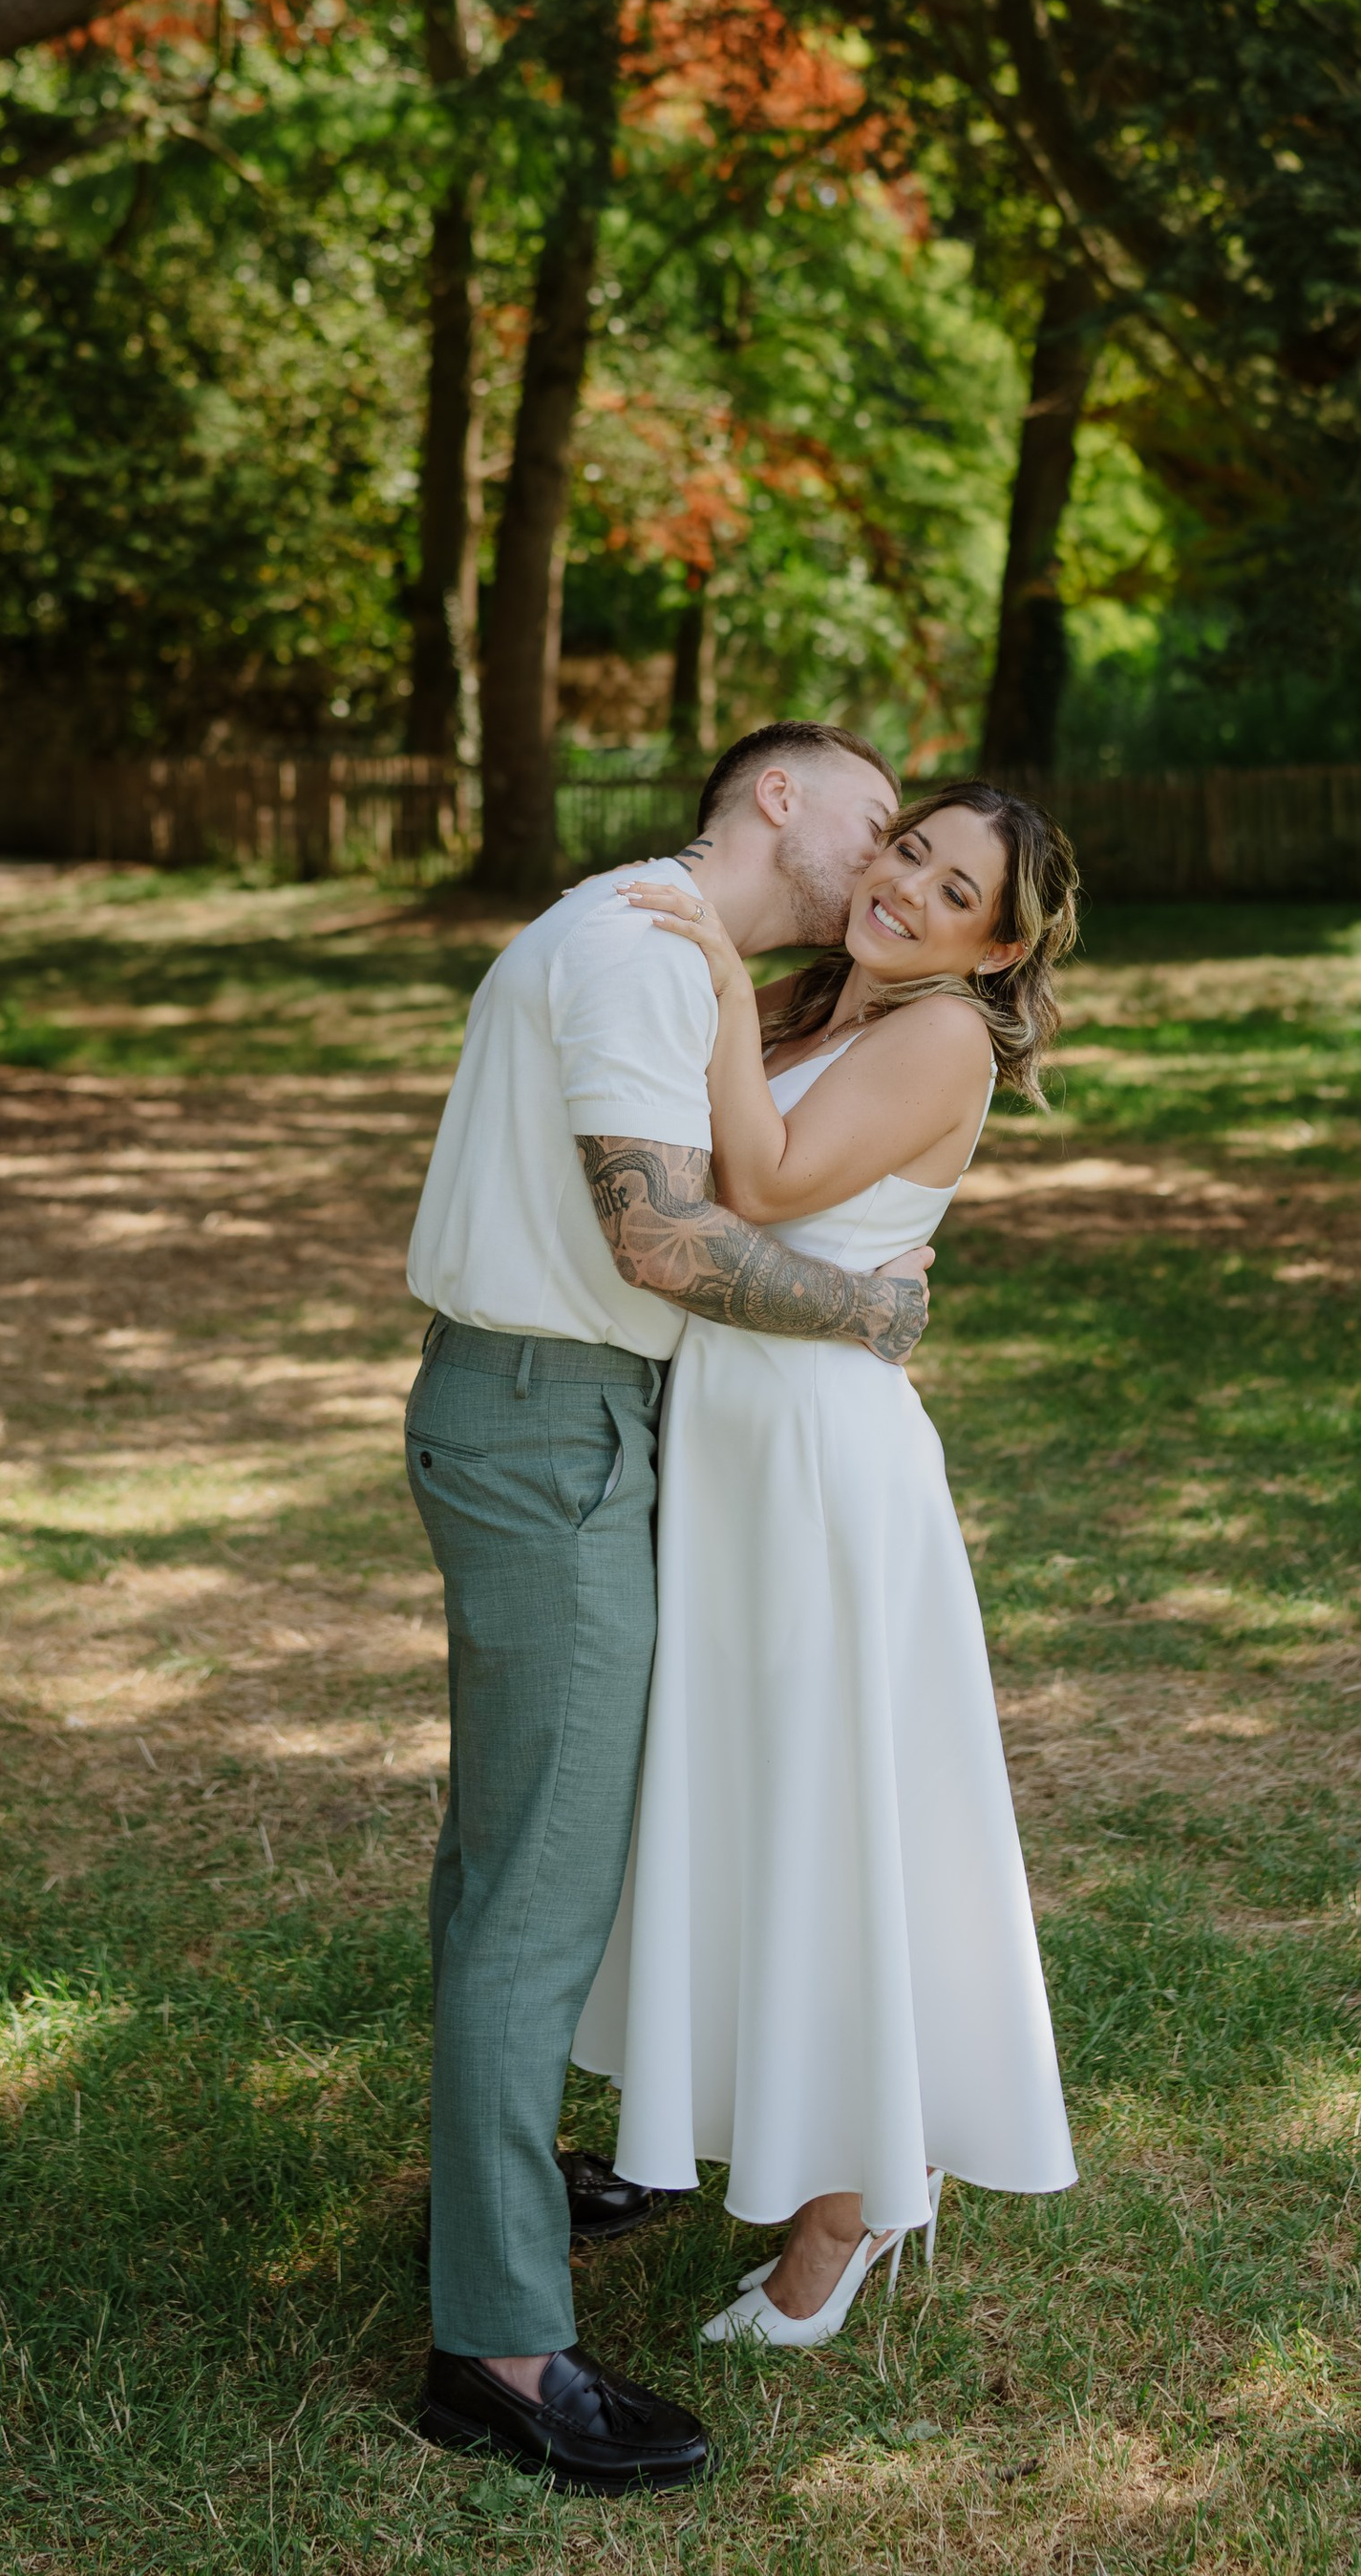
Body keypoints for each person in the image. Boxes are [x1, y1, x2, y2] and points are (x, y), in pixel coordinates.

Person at [401, 722, 934, 2494]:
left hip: (562, 1415)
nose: (885, 856)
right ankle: (500, 2344)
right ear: (779, 796)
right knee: (538, 1890)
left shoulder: (631, 938)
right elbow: (666, 1241)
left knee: (523, 1863)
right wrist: (867, 1313)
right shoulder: (637, 945)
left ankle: (507, 2195)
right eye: (876, 814)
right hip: (552, 1422)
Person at [572, 778, 1080, 2343]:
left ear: (996, 953)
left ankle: (852, 2215)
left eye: (954, 893)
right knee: (752, 1807)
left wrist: (720, 981)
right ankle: (794, 2133)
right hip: (739, 1438)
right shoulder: (832, 1005)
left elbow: (771, 1185)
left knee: (827, 1814)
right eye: (910, 851)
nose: (910, 891)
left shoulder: (940, 1036)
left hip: (814, 1461)